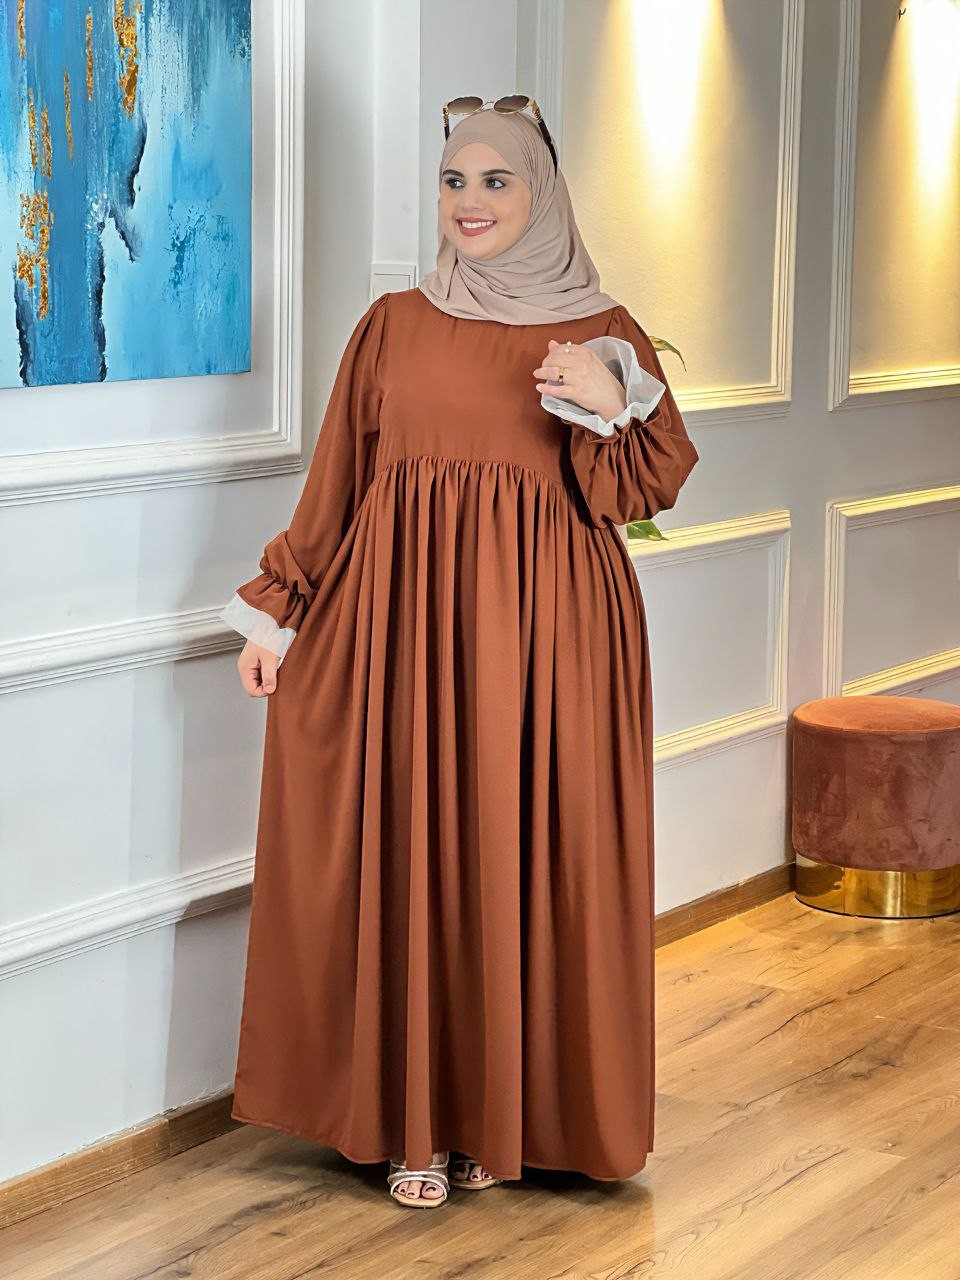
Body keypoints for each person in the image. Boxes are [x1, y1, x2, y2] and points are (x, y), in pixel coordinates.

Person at [220, 99, 699, 1209]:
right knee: (416, 852)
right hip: (403, 632)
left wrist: (612, 401)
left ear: (542, 194)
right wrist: (279, 611)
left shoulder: (602, 328)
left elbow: (651, 481)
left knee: (520, 850)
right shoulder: (393, 323)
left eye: (495, 181)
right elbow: (339, 478)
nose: (469, 203)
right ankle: (414, 1123)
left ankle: (501, 1115)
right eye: (452, 181)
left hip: (551, 638)